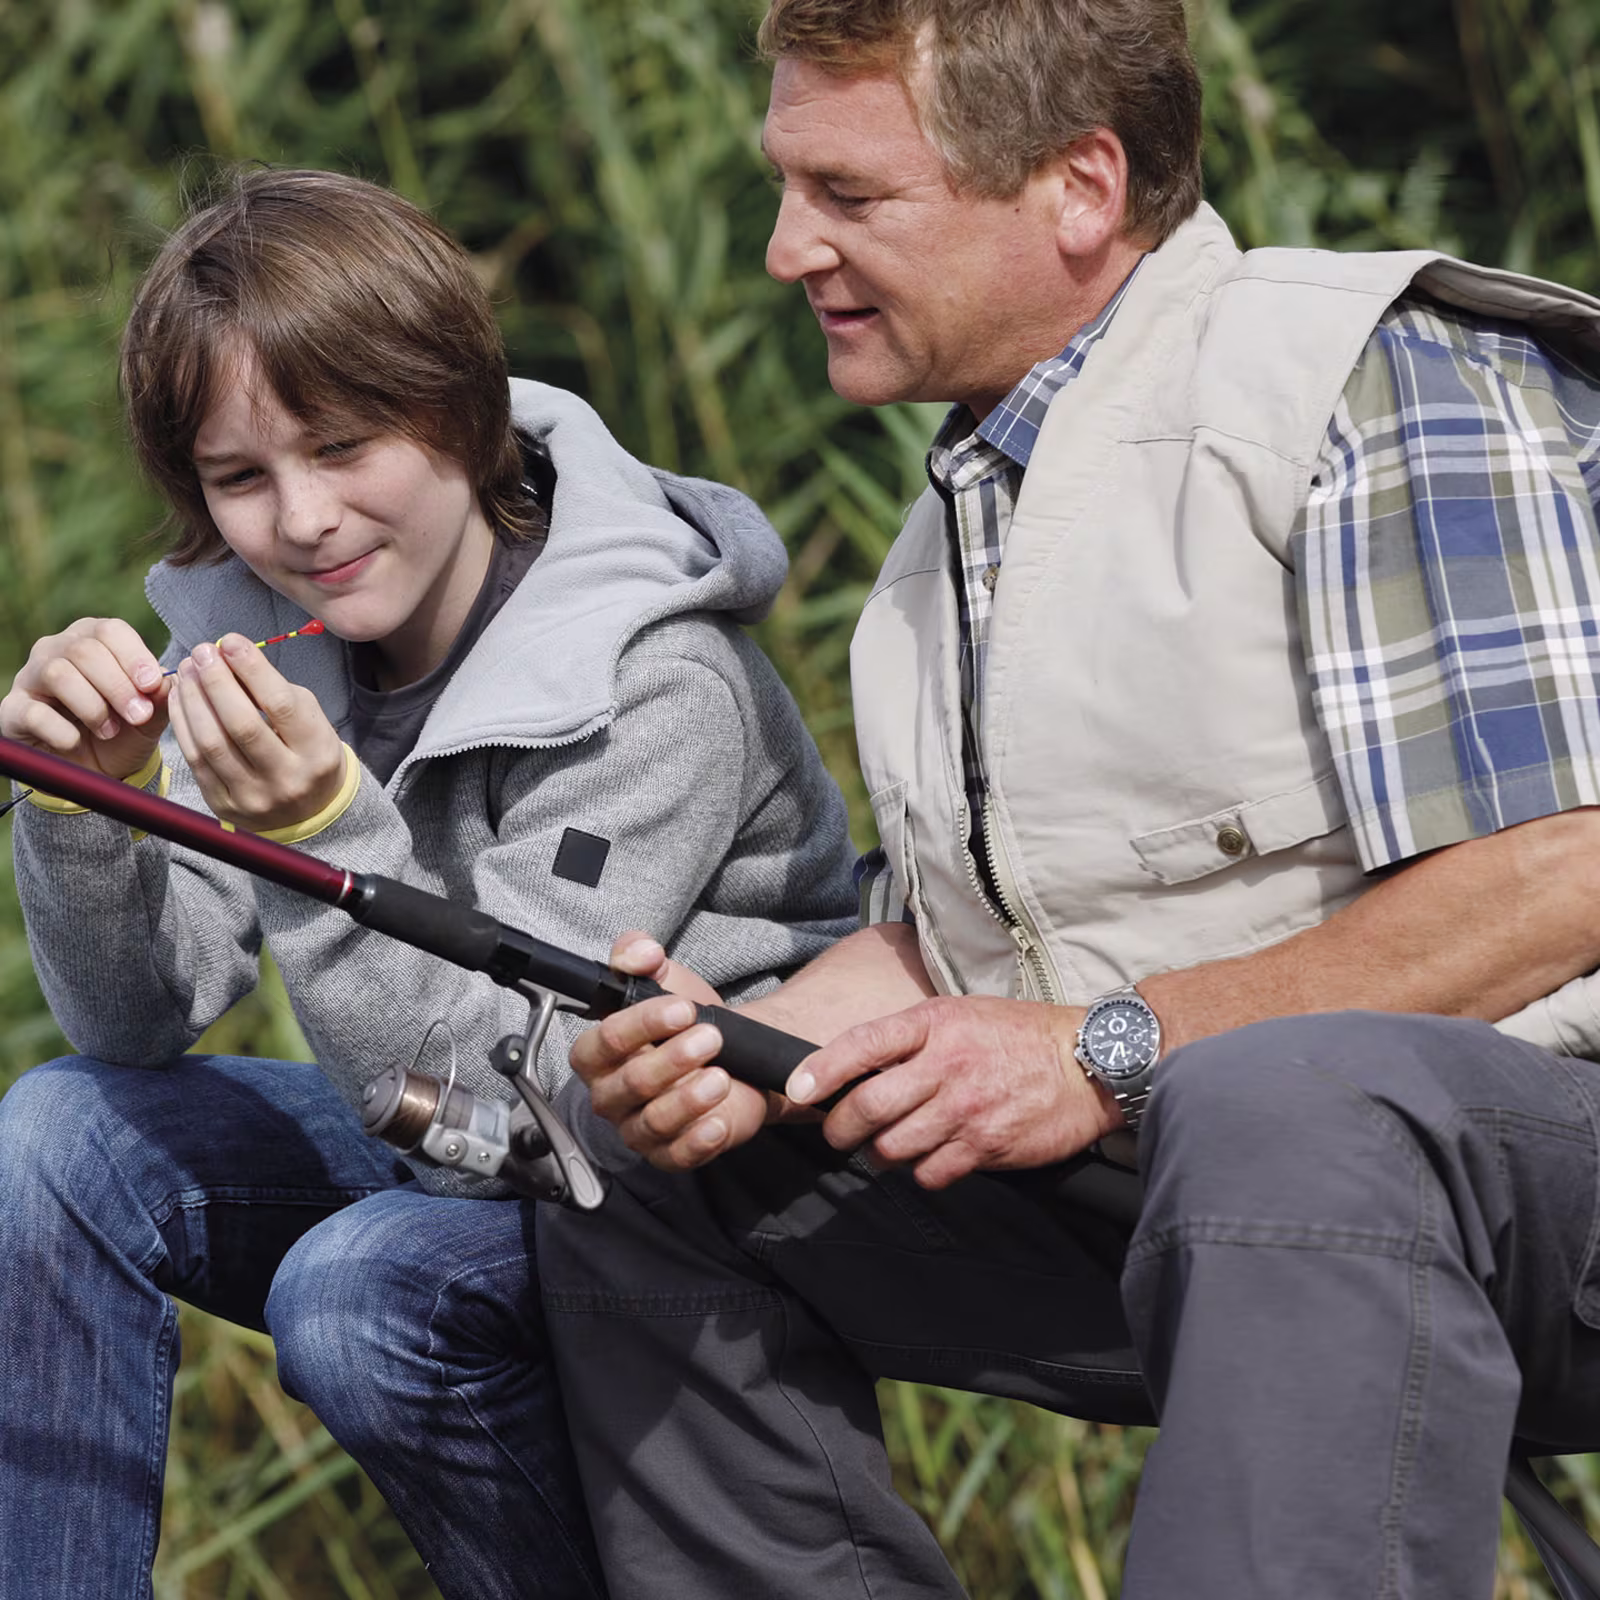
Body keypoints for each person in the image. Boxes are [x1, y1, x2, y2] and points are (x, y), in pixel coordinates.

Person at [532, 3, 1600, 1596]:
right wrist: (736, 1058)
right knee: (651, 1183)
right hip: (1210, 1174)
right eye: (783, 185)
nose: (780, 249)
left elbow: (1562, 866)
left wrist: (1115, 1053)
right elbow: (958, 945)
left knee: (1277, 1104)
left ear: (1080, 187)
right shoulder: (947, 540)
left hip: (1521, 1175)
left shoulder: (1366, 379)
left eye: (848, 193)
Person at [0, 166, 857, 1600]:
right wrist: (88, 799)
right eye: (240, 478)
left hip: (678, 1184)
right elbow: (135, 1027)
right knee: (57, 1129)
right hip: (436, 1143)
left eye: (344, 447)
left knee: (365, 1288)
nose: (304, 522)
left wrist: (323, 825)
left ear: (460, 412)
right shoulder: (271, 643)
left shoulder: (657, 683)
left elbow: (502, 1091)